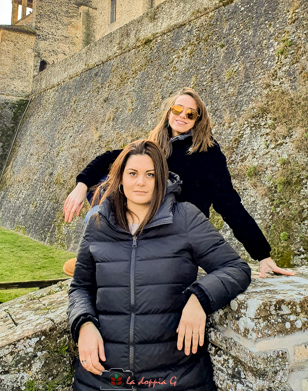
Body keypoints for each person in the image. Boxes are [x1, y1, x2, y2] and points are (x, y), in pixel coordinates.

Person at [67, 140, 251, 391]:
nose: (140, 182)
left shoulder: (186, 218)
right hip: (102, 378)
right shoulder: (98, 224)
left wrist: (200, 298)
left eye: (150, 174)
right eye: (132, 173)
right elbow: (80, 286)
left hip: (176, 379)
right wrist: (84, 324)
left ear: (161, 179)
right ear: (120, 179)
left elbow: (234, 267)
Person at [64, 87, 294, 279]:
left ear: (198, 119)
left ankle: (103, 262)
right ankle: (99, 259)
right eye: (177, 109)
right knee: (102, 196)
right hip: (151, 216)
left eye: (190, 113)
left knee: (104, 208)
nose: (182, 116)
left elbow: (229, 203)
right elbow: (108, 159)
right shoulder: (154, 145)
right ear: (168, 112)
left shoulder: (207, 153)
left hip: (178, 225)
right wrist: (81, 186)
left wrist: (262, 254)